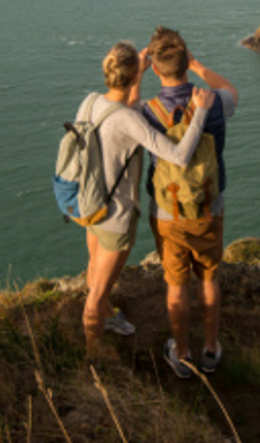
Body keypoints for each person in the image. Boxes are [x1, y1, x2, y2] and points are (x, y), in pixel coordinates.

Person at [75, 41, 216, 354]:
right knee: (96, 294)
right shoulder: (130, 119)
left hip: (91, 202)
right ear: (133, 73)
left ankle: (107, 316)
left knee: (94, 269)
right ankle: (93, 359)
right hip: (116, 216)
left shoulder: (91, 102)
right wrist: (200, 113)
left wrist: (136, 74)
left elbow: (126, 107)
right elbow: (179, 156)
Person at [141, 27, 238, 378]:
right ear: (186, 60)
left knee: (176, 284)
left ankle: (181, 355)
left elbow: (118, 110)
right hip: (210, 208)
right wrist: (198, 67)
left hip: (167, 214)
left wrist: (137, 73)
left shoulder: (147, 112)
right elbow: (232, 90)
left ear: (154, 66)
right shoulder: (215, 103)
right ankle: (211, 350)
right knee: (209, 278)